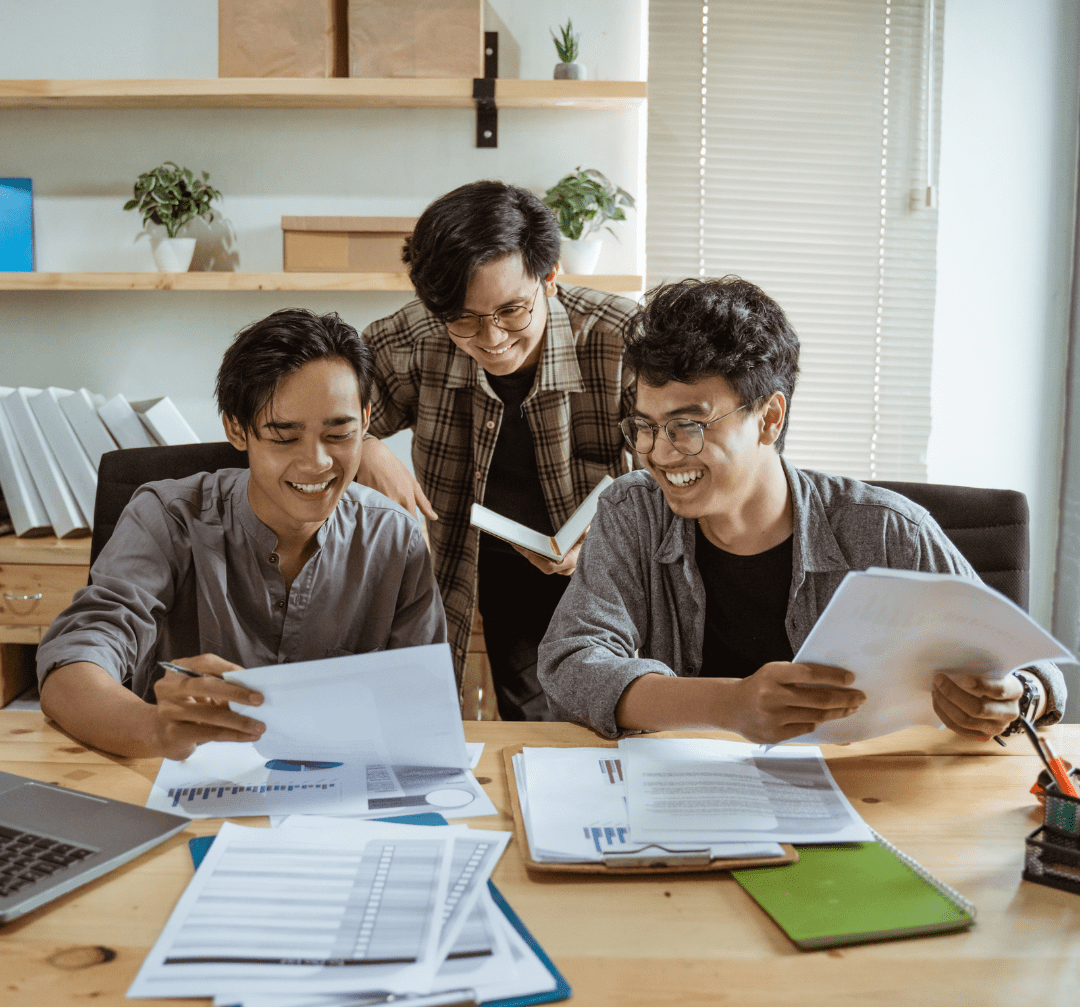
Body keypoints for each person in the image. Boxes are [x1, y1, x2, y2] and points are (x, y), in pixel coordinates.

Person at [537, 276, 1067, 742]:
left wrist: (1012, 697)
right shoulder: (633, 511)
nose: (659, 452)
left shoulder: (887, 530)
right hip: (690, 797)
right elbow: (571, 662)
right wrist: (730, 705)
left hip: (863, 795)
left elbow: (1034, 670)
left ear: (769, 418)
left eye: (688, 426)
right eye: (646, 427)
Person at [37, 309, 446, 760]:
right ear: (236, 427)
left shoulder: (396, 540)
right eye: (283, 437)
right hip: (179, 789)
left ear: (366, 421)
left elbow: (422, 707)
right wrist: (153, 728)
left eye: (339, 433)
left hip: (341, 797)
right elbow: (73, 663)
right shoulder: (168, 517)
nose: (316, 462)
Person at [358, 180, 638, 720]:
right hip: (487, 564)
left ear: (550, 278)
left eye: (512, 311)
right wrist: (365, 447)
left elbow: (672, 476)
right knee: (527, 720)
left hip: (604, 569)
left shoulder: (622, 337)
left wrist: (607, 540)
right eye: (463, 319)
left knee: (608, 715)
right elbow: (321, 418)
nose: (490, 338)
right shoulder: (418, 338)